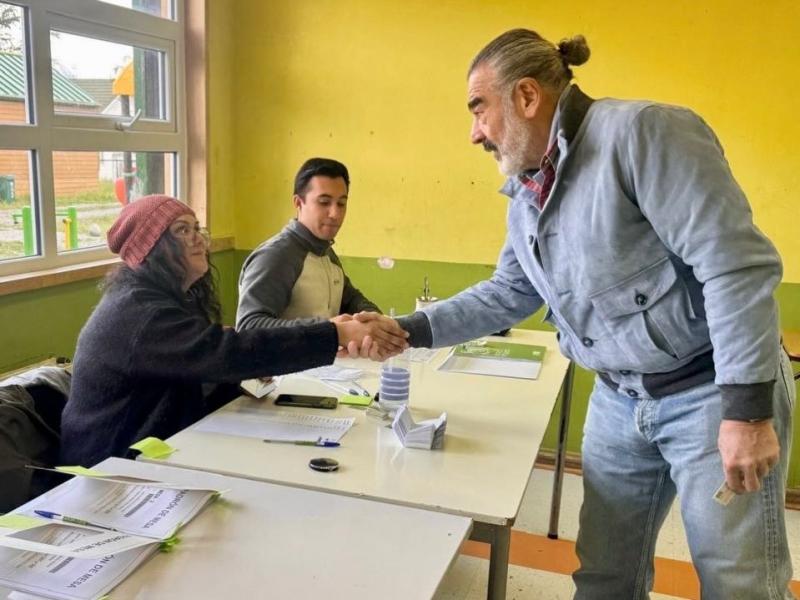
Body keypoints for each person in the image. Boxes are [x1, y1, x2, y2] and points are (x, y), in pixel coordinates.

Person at [392, 29, 795, 598]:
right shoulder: (527, 191)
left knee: (738, 583)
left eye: (479, 109)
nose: (474, 133)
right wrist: (406, 331)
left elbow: (736, 267)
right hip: (618, 398)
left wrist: (748, 413)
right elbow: (510, 291)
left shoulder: (645, 133)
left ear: (527, 97)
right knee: (604, 576)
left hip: (711, 392)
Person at [61, 195, 407, 467]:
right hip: (110, 467)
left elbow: (199, 365)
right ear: (149, 248)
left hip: (154, 447)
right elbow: (224, 352)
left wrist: (245, 383)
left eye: (197, 229)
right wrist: (332, 335)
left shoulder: (162, 299)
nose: (198, 240)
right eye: (182, 231)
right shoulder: (138, 311)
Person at [237, 158, 380, 331]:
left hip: (326, 358)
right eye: (324, 202)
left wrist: (376, 319)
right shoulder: (276, 256)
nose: (335, 213)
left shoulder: (326, 251)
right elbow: (249, 327)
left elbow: (350, 299)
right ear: (298, 203)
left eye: (341, 203)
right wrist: (328, 330)